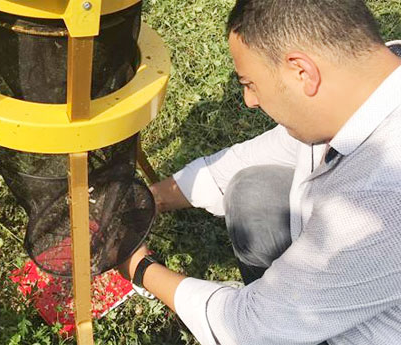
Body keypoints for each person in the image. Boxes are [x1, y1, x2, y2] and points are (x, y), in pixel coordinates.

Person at [119, 0, 401, 344]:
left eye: (249, 83)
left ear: (302, 72)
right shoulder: (372, 80)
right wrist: (151, 199)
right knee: (254, 190)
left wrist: (138, 266)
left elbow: (248, 329)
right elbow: (249, 159)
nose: (249, 100)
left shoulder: (378, 201)